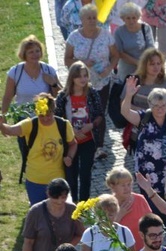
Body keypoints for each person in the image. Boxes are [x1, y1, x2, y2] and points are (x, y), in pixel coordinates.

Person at [121, 79, 166, 221]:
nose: (160, 109)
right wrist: (128, 95)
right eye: (156, 106)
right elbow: (126, 113)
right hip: (146, 172)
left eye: (164, 105)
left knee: (165, 208)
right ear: (150, 105)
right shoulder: (145, 117)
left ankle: (163, 228)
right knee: (149, 208)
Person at [0, 94, 76, 205]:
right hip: (35, 181)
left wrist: (69, 156)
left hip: (57, 181)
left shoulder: (63, 125)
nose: (45, 118)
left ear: (53, 111)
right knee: (40, 215)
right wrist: (1, 125)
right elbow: (10, 131)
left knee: (58, 215)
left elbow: (73, 144)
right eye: (41, 115)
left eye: (48, 114)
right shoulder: (30, 124)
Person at [64, 3, 117, 159]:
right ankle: (81, 142)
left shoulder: (106, 35)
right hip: (81, 83)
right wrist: (83, 63)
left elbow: (115, 55)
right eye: (89, 18)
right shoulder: (74, 37)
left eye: (94, 17)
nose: (92, 21)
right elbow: (67, 60)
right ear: (82, 19)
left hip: (102, 80)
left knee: (99, 112)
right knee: (82, 111)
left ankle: (99, 146)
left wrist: (109, 69)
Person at [19, 179, 84, 251]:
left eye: (63, 198)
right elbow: (28, 242)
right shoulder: (35, 212)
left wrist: (66, 248)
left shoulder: (72, 209)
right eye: (55, 199)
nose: (59, 202)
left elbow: (80, 233)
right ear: (48, 194)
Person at [54, 61, 103, 202]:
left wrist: (91, 125)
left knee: (86, 173)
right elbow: (57, 118)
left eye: (85, 75)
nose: (82, 79)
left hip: (88, 140)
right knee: (71, 174)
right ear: (72, 78)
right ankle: (73, 201)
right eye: (78, 76)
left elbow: (100, 114)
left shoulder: (92, 93)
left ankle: (84, 204)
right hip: (70, 142)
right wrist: (71, 129)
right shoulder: (63, 97)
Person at [2, 35, 60, 119]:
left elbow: (61, 96)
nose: (35, 54)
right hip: (23, 119)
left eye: (37, 51)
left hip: (45, 118)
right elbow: (7, 97)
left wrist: (53, 84)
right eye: (31, 52)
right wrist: (3, 118)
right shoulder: (15, 72)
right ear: (24, 54)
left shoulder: (49, 70)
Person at [105, 166, 152, 251]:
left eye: (129, 184)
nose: (127, 188)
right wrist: (119, 216)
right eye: (123, 185)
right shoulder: (108, 205)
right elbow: (105, 233)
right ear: (112, 186)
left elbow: (151, 224)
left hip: (143, 250)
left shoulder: (140, 199)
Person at [124, 48, 166, 113]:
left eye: (158, 63)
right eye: (152, 64)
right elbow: (123, 102)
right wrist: (144, 113)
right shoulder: (134, 80)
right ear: (144, 65)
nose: (156, 67)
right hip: (135, 119)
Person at [113, 3, 155, 79]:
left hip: (145, 67)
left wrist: (143, 63)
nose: (131, 21)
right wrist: (137, 63)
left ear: (138, 17)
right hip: (126, 69)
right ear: (123, 18)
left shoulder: (145, 28)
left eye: (134, 18)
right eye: (128, 18)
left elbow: (151, 48)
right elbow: (120, 53)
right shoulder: (118, 31)